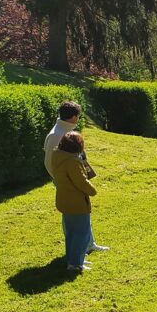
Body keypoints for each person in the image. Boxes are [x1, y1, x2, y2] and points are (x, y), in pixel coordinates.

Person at [44, 101, 107, 253]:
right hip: (67, 182)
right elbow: (50, 162)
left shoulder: (65, 130)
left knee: (83, 212)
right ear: (73, 117)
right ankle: (77, 250)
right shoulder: (56, 134)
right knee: (73, 216)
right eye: (77, 116)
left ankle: (88, 243)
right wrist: (62, 181)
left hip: (75, 178)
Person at [50, 131, 97, 272]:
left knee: (71, 233)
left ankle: (73, 260)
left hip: (64, 200)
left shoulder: (57, 156)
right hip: (76, 202)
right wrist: (93, 190)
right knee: (82, 234)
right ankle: (76, 264)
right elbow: (81, 182)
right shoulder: (73, 162)